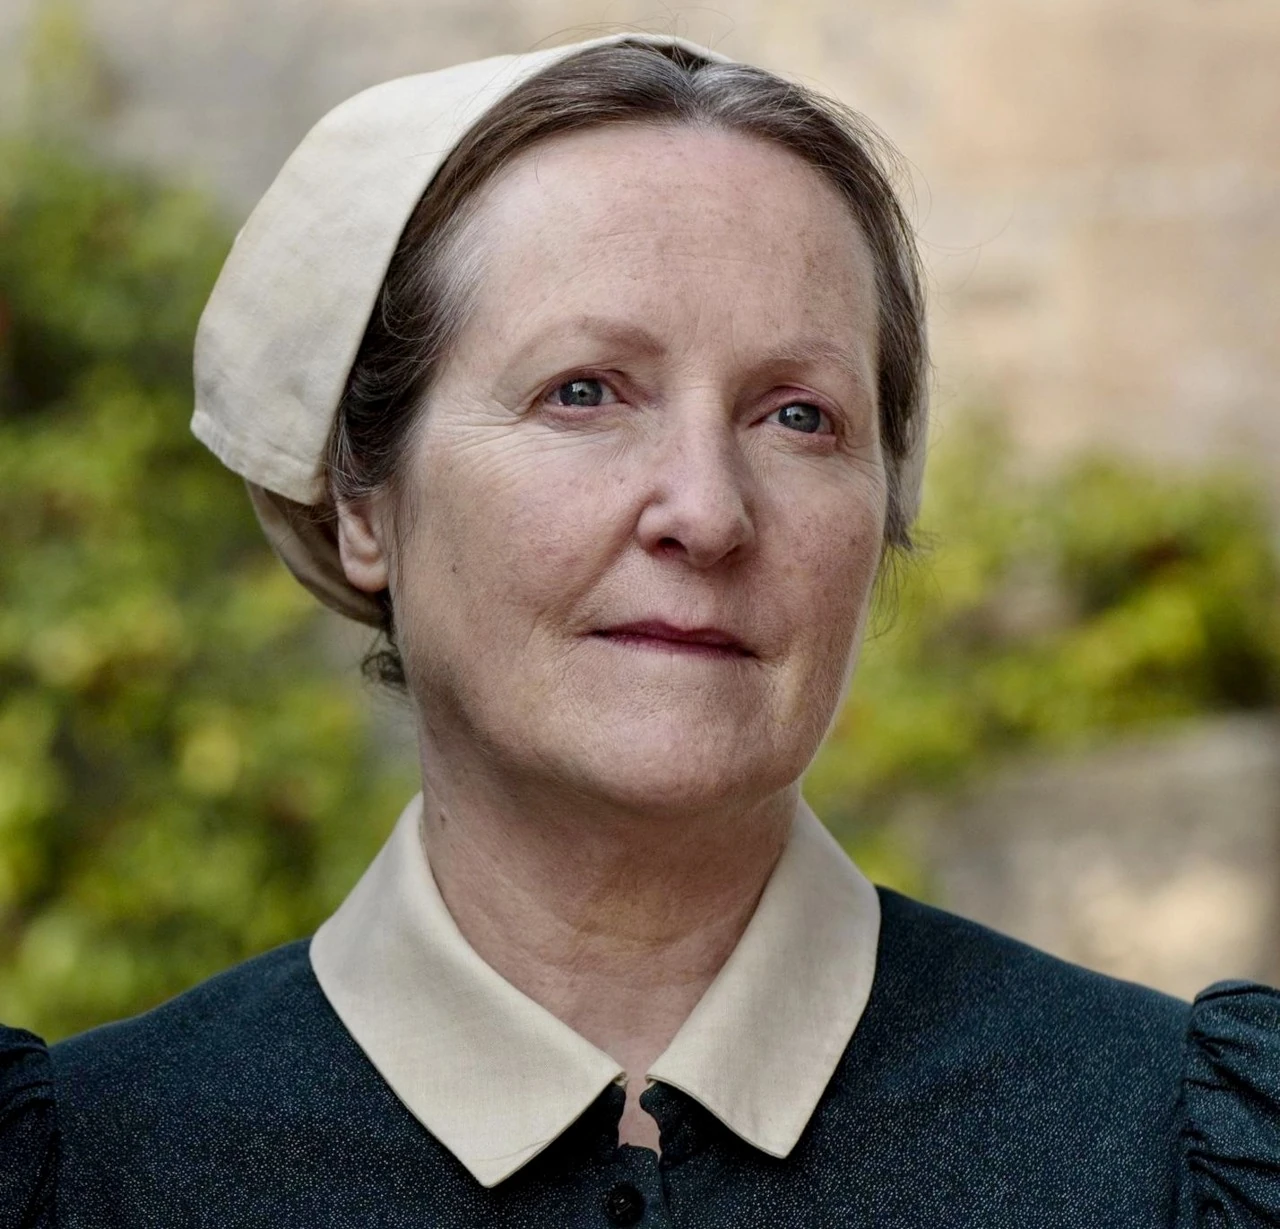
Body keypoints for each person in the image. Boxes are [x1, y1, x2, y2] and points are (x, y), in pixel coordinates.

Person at [1, 31, 1276, 1229]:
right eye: (583, 392)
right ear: (360, 502)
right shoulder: (96, 1172)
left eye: (798, 416)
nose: (707, 512)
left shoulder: (1175, 1157)